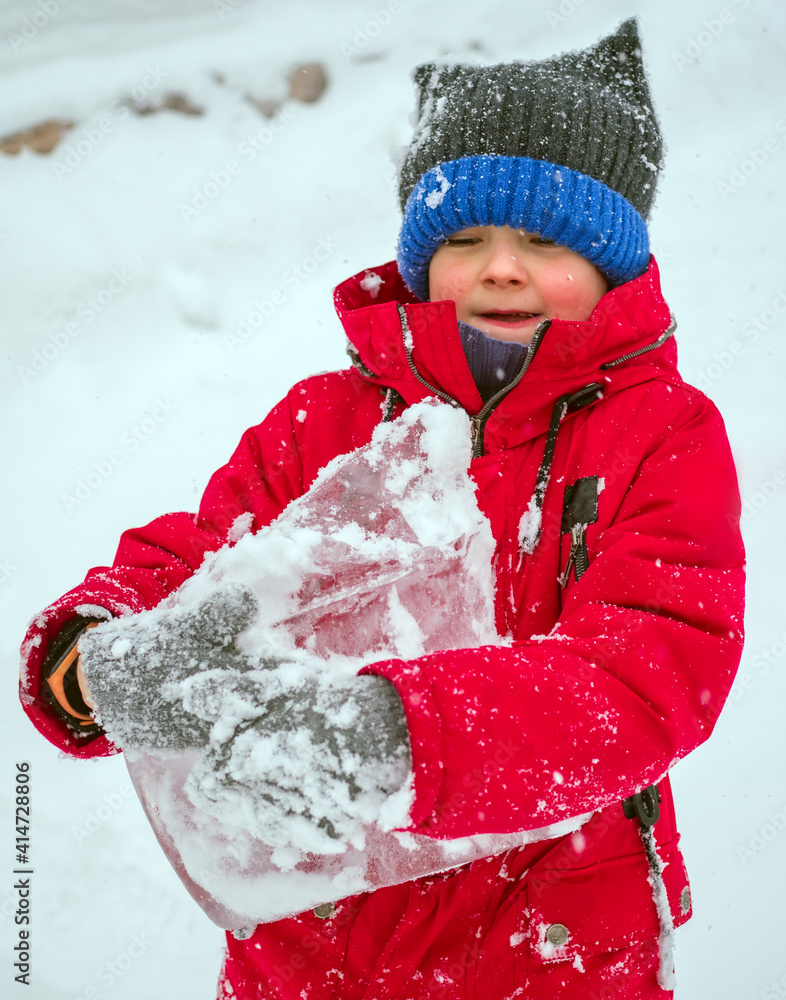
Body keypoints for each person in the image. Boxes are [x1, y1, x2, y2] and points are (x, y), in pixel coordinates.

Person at [19, 18, 745, 1000]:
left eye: (543, 238)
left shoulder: (662, 434)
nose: (500, 266)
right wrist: (97, 650)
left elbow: (648, 674)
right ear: (418, 255)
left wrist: (397, 735)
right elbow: (213, 552)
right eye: (465, 237)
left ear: (613, 259)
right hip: (314, 938)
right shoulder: (331, 415)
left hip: (549, 941)